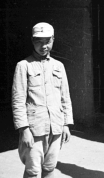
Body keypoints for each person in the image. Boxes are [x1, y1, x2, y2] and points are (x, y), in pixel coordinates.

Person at [12, 22, 73, 178]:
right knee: (32, 171)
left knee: (50, 167)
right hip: (34, 129)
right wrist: (24, 129)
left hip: (56, 126)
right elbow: (18, 101)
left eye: (47, 41)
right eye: (39, 41)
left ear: (53, 40)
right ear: (33, 41)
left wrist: (66, 124)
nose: (44, 45)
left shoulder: (59, 66)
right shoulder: (23, 66)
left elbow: (65, 97)